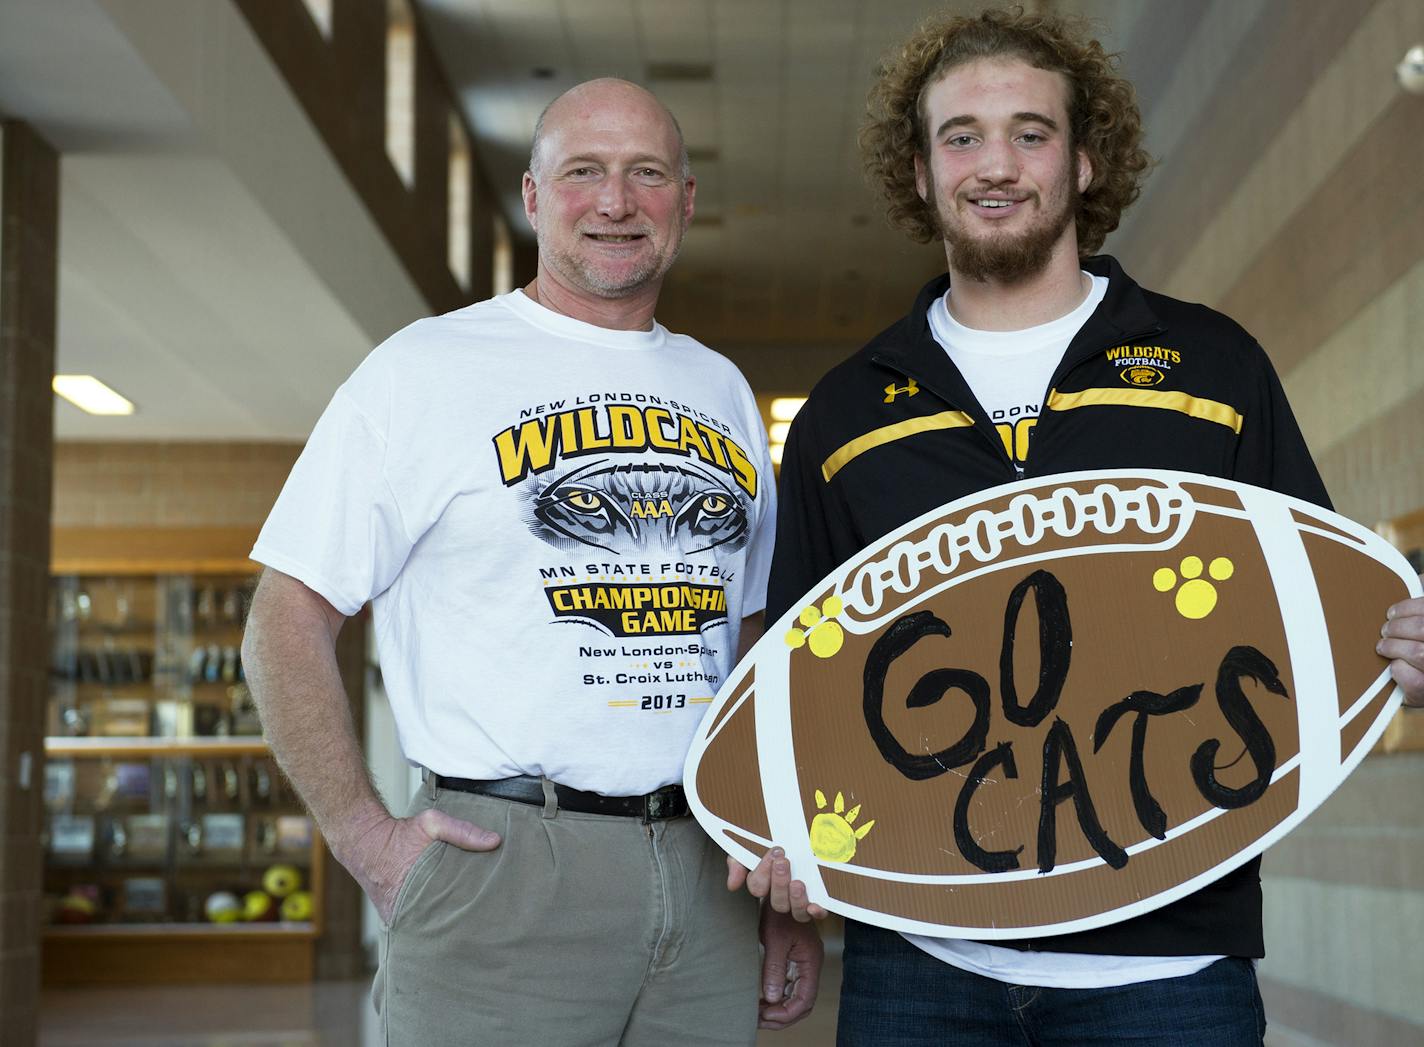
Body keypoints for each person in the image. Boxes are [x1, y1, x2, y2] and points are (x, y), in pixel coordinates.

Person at [758, 7, 1424, 1046]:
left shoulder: (1212, 370)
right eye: (960, 137)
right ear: (920, 172)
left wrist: (1398, 654)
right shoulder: (847, 415)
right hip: (917, 962)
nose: (995, 165)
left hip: (1169, 962)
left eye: (1030, 133)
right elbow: (788, 671)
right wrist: (771, 837)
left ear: (1083, 162)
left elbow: (1321, 616)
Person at [241, 77, 821, 1046]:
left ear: (684, 203)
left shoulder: (718, 387)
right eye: (582, 172)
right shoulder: (424, 369)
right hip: (504, 867)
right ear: (532, 195)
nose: (612, 201)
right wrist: (363, 837)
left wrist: (774, 880)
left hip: (708, 867)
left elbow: (750, 641)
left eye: (645, 174)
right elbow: (283, 621)